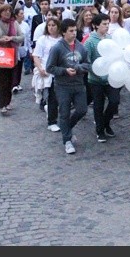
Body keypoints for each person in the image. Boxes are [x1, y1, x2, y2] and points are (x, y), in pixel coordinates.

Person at [46, 18, 91, 155]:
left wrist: (78, 68)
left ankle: (67, 129)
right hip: (62, 86)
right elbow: (50, 67)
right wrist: (64, 71)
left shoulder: (81, 47)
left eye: (75, 30)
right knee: (64, 112)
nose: (74, 33)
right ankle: (67, 140)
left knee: (82, 110)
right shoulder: (57, 48)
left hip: (78, 84)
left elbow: (88, 65)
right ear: (64, 32)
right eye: (71, 31)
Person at [0, 3, 25, 115]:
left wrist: (12, 38)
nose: (7, 13)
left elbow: (22, 36)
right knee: (2, 82)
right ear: (0, 12)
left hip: (12, 56)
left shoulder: (14, 23)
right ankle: (2, 104)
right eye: (4, 11)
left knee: (10, 81)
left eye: (9, 10)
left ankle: (8, 101)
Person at [85, 13, 120, 143]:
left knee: (114, 101)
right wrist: (94, 71)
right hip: (95, 80)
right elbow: (86, 61)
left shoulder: (110, 38)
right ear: (96, 25)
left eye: (107, 24)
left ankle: (106, 123)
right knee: (98, 105)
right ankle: (100, 131)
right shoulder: (90, 41)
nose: (106, 26)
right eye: (104, 24)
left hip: (110, 78)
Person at [32, 17, 61, 131]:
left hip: (60, 71)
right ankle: (52, 121)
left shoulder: (62, 39)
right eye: (49, 25)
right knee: (53, 97)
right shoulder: (43, 39)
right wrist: (40, 68)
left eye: (54, 25)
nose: (51, 27)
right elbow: (36, 55)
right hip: (48, 71)